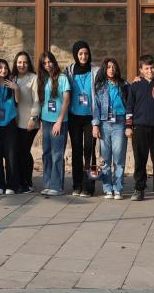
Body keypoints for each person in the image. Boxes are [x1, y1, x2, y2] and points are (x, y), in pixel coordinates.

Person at [126, 56, 154, 201]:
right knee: (140, 160)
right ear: (141, 70)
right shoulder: (135, 86)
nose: (150, 71)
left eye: (152, 68)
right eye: (146, 68)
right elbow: (129, 107)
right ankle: (139, 189)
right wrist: (128, 126)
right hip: (139, 128)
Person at [92, 57, 130, 200]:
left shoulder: (124, 84)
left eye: (114, 67)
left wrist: (129, 124)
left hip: (120, 122)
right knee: (106, 158)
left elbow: (130, 104)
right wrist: (95, 125)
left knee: (119, 157)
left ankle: (118, 188)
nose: (111, 69)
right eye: (108, 67)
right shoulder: (100, 86)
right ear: (104, 69)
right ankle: (107, 188)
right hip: (104, 123)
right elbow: (96, 107)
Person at [64, 41, 97, 197]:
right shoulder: (69, 71)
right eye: (80, 54)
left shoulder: (95, 71)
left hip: (91, 118)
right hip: (74, 117)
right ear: (75, 55)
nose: (83, 57)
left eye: (86, 54)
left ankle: (89, 186)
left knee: (90, 151)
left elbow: (113, 78)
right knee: (76, 150)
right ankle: (77, 184)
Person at [38, 51, 71, 196]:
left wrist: (59, 121)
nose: (47, 65)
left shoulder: (62, 78)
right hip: (46, 121)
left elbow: (66, 100)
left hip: (59, 122)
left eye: (49, 61)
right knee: (46, 153)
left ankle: (57, 186)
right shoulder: (43, 79)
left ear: (54, 61)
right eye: (44, 63)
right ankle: (47, 184)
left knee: (57, 154)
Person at [0, 59, 18, 195]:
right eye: (0, 68)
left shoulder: (11, 84)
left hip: (10, 123)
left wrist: (16, 88)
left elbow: (18, 101)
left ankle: (11, 184)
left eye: (5, 68)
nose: (3, 70)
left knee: (11, 155)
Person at [12, 51, 40, 193]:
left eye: (25, 62)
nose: (22, 65)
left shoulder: (33, 78)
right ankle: (19, 181)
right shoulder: (13, 78)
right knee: (18, 152)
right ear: (15, 64)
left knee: (24, 151)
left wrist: (34, 117)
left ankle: (27, 182)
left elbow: (37, 100)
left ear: (28, 64)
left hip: (29, 122)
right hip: (15, 122)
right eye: (19, 62)